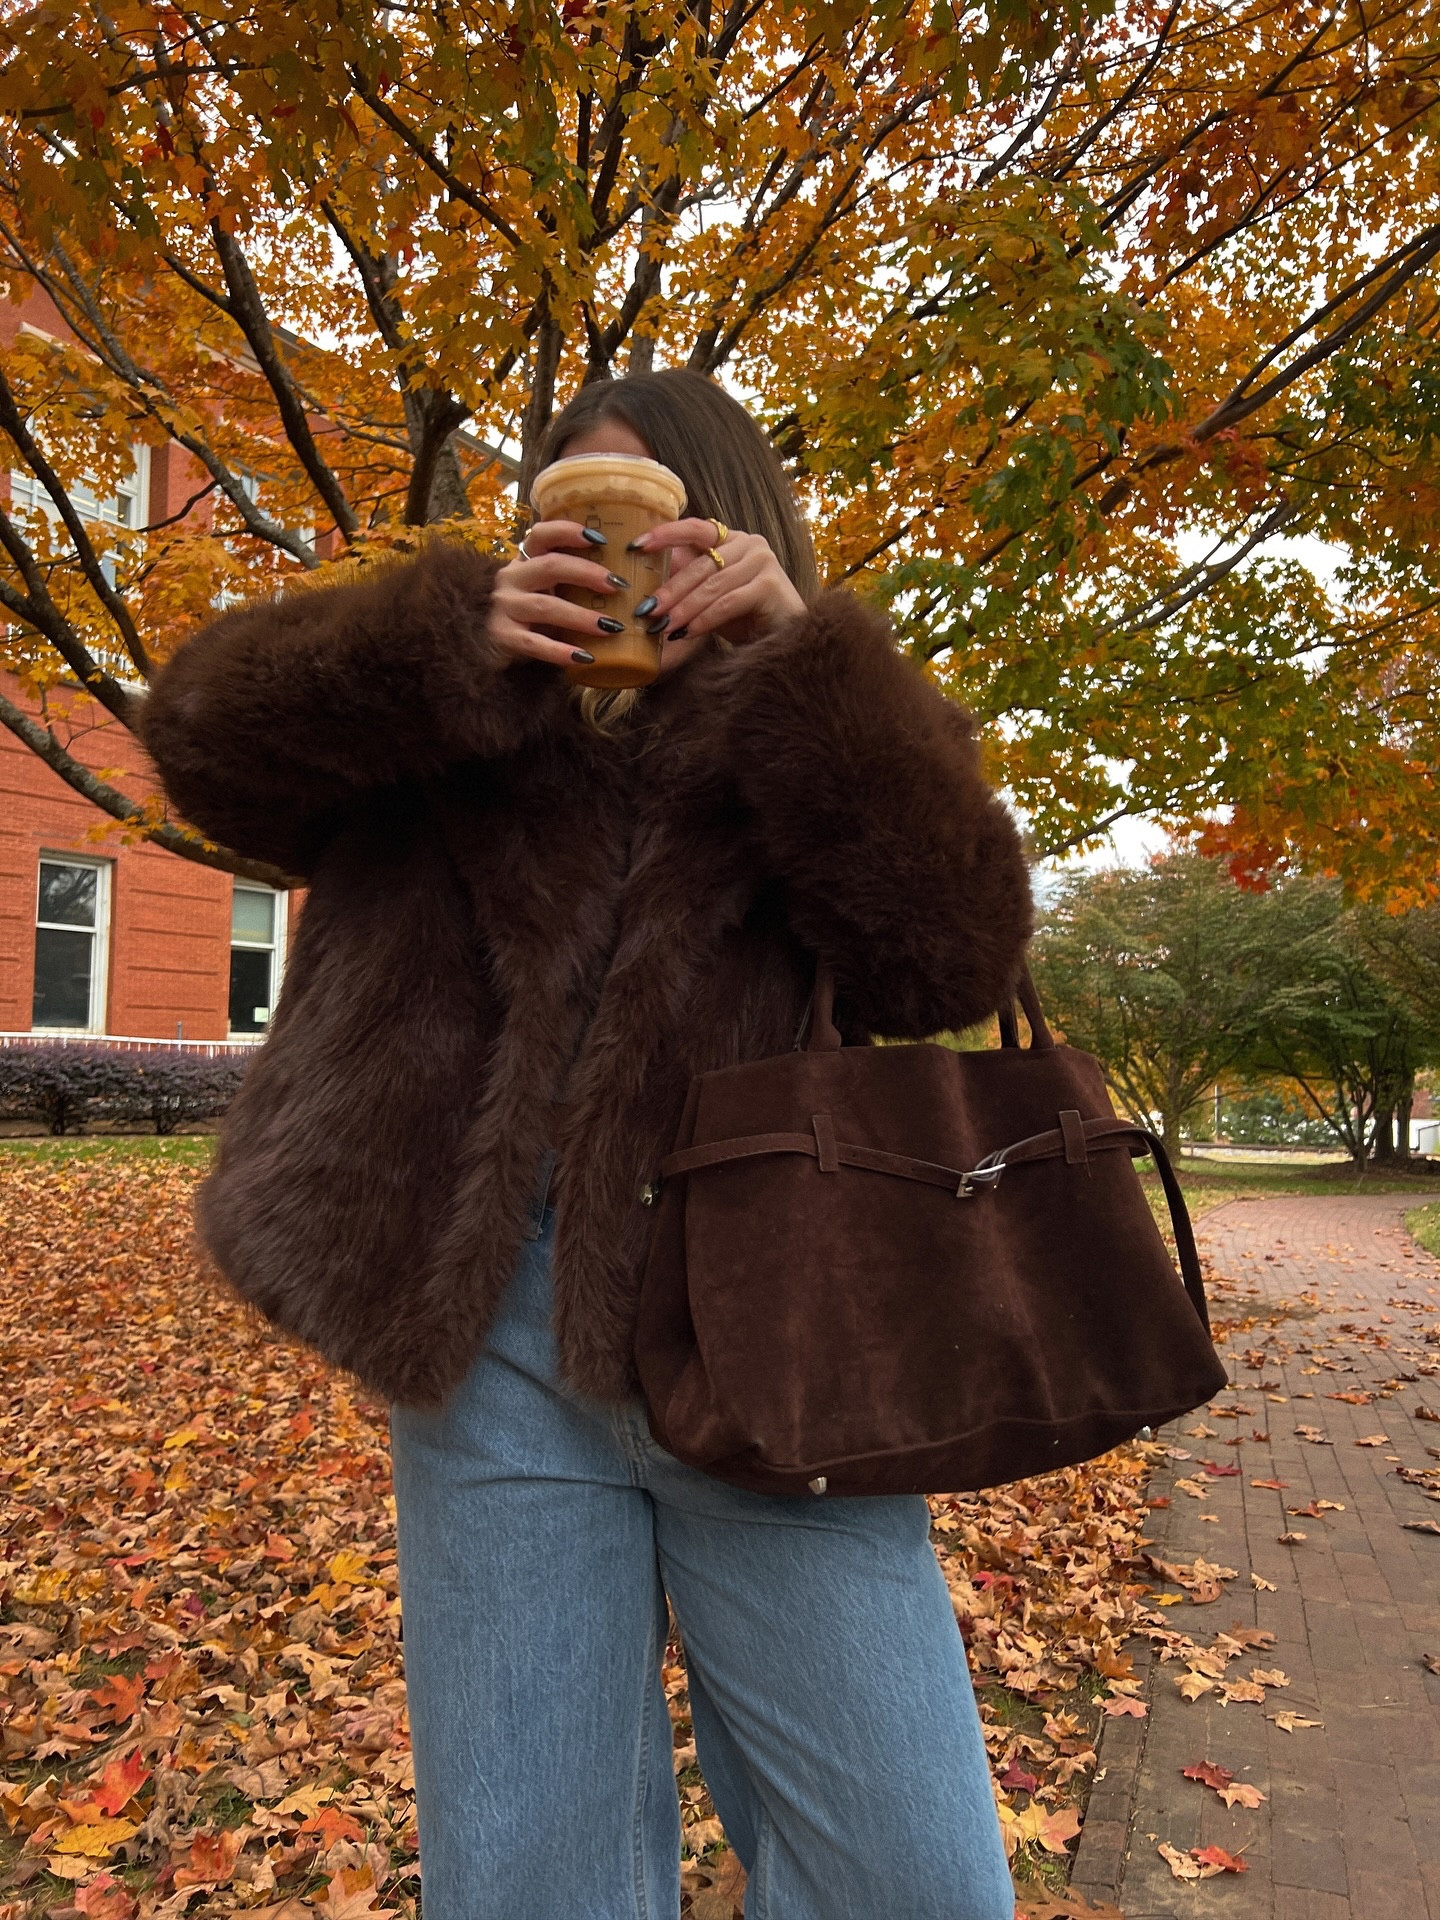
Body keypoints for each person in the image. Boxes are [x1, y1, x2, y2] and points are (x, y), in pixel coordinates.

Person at [141, 368, 1033, 1920]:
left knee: (916, 1878)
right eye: (570, 517)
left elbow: (949, 961)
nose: (614, 565)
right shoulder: (441, 720)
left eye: (654, 522)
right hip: (493, 1335)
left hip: (772, 1332)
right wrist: (439, 645)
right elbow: (200, 734)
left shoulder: (819, 720)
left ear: (735, 530)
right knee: (527, 1880)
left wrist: (804, 678)